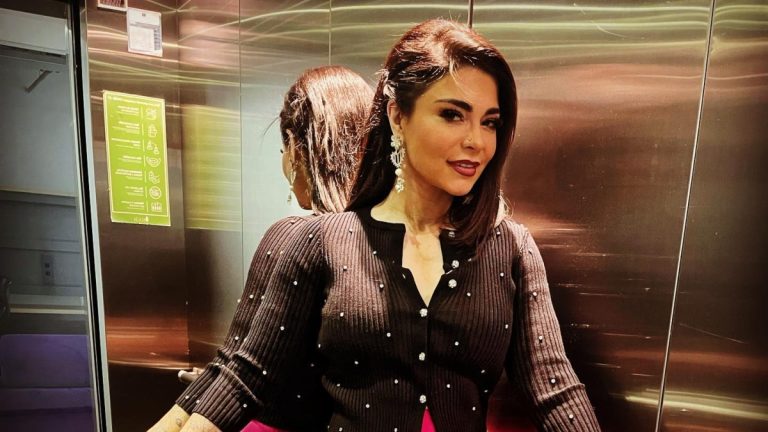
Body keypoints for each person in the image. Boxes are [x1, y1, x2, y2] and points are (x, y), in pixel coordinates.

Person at [175, 18, 601, 432]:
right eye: (452, 114)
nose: (476, 140)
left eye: (490, 122)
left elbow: (554, 389)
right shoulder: (321, 242)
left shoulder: (510, 248)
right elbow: (246, 375)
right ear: (398, 116)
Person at [148, 65, 373, 432]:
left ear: (297, 149)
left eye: (284, 149)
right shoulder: (393, 246)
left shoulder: (294, 236)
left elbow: (234, 367)